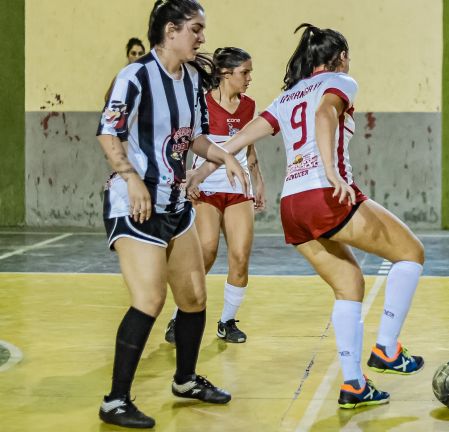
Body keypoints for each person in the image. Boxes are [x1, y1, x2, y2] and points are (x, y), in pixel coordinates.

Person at [187, 23, 425, 409]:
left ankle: (353, 385)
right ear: (341, 57)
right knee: (411, 253)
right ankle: (387, 349)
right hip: (323, 194)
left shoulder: (289, 95)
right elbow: (327, 114)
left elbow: (249, 132)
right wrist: (331, 171)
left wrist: (204, 168)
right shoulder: (341, 82)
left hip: (291, 206)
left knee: (349, 283)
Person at [97, 0, 248, 428]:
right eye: (196, 29)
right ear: (170, 30)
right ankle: (115, 400)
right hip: (136, 205)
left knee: (194, 298)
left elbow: (195, 139)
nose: (202, 38)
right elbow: (109, 135)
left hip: (176, 204)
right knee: (149, 300)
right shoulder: (136, 76)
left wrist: (224, 156)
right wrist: (130, 178)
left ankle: (184, 380)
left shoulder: (191, 83)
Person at [165, 47, 265, 344]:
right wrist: (185, 180)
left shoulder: (249, 106)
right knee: (205, 251)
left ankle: (228, 321)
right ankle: (178, 316)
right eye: (244, 72)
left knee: (240, 256)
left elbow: (248, 147)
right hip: (206, 187)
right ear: (225, 74)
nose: (249, 78)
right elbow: (186, 145)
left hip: (238, 188)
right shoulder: (202, 104)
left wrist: (258, 181)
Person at [104, 38, 146, 102]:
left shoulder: (147, 77)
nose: (137, 57)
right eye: (133, 53)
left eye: (140, 54)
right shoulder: (121, 76)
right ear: (128, 55)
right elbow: (107, 98)